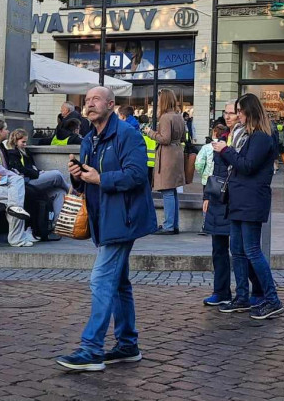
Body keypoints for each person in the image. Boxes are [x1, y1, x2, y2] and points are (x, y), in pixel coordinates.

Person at [55, 86, 159, 372]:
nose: (89, 105)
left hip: (123, 219)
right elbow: (88, 180)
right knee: (119, 282)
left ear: (111, 105)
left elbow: (138, 175)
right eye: (87, 101)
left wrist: (101, 178)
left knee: (101, 280)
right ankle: (127, 344)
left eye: (95, 100)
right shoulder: (89, 139)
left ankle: (91, 348)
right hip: (102, 218)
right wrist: (77, 177)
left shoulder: (128, 135)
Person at [212, 93, 283, 320]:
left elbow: (248, 165)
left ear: (249, 112)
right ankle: (241, 296)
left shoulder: (262, 136)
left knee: (252, 250)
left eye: (240, 111)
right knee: (238, 251)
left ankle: (272, 298)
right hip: (239, 198)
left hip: (252, 199)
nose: (237, 115)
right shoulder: (246, 135)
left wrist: (226, 150)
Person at [5, 128, 69, 242]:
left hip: (34, 177)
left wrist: (39, 171)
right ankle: (72, 190)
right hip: (27, 182)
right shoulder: (12, 153)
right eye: (23, 142)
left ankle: (55, 226)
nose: (25, 144)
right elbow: (20, 169)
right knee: (56, 174)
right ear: (15, 141)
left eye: (26, 142)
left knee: (60, 192)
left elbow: (32, 167)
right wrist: (37, 173)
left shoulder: (25, 152)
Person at [147, 88, 186, 235]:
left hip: (167, 155)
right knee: (173, 190)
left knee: (167, 191)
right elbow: (182, 138)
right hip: (177, 153)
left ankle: (169, 225)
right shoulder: (178, 116)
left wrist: (150, 133)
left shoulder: (165, 117)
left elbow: (165, 139)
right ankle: (173, 224)